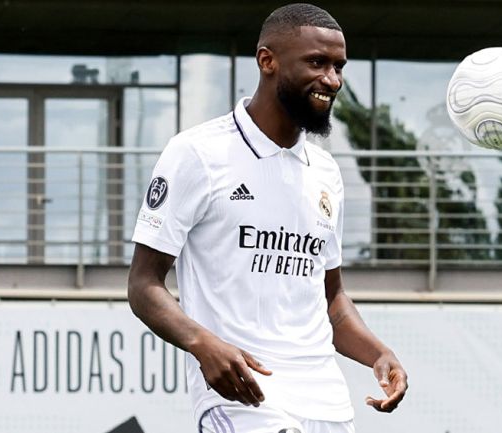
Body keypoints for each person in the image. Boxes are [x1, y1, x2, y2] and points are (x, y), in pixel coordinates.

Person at [127, 3, 408, 433]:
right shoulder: (197, 154)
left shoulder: (326, 173)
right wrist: (203, 344)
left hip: (327, 402)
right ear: (268, 60)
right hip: (243, 397)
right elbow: (144, 285)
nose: (332, 80)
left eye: (338, 67)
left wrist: (378, 353)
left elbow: (331, 299)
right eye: (317, 62)